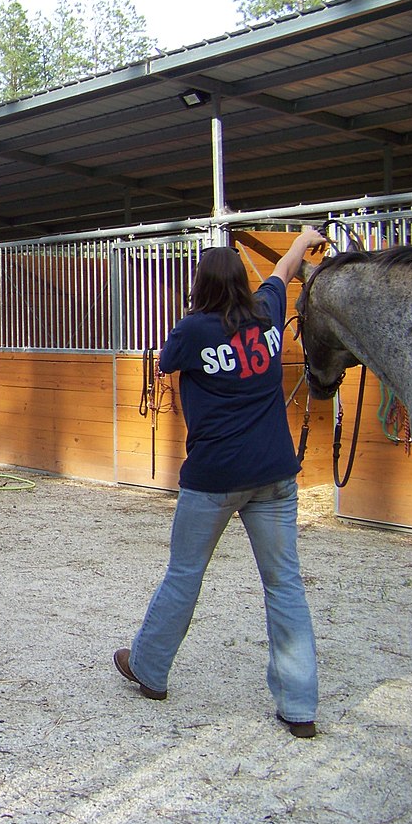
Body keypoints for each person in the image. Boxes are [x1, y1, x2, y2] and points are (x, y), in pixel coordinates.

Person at [114, 228, 330, 739]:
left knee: (185, 573)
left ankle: (150, 669)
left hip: (214, 477)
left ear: (199, 287)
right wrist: (304, 239)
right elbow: (281, 272)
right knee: (284, 585)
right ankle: (299, 707)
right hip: (275, 473)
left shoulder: (192, 330)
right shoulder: (268, 311)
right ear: (240, 283)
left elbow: (166, 365)